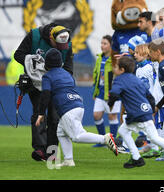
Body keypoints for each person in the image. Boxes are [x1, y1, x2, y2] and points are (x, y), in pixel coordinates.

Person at [35, 48, 118, 167]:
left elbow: (46, 94)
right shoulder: (67, 74)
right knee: (61, 132)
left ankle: (104, 138)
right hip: (78, 105)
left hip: (67, 109)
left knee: (77, 136)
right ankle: (68, 160)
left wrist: (41, 113)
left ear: (47, 63)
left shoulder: (47, 76)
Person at [108, 56, 164, 172]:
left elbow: (114, 94)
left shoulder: (120, 80)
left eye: (116, 66)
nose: (114, 68)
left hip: (137, 114)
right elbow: (150, 98)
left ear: (122, 70)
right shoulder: (135, 79)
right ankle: (136, 157)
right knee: (124, 131)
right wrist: (151, 112)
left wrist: (110, 103)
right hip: (145, 111)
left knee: (155, 138)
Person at [14, 23, 73, 161]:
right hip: (36, 83)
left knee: (54, 117)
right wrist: (35, 64)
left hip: (56, 85)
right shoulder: (34, 36)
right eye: (57, 44)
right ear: (51, 37)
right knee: (39, 113)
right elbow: (18, 54)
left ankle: (51, 152)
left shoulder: (66, 42)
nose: (60, 48)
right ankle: (40, 149)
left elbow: (69, 69)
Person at [91, 35, 120, 147]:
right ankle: (103, 140)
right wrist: (95, 90)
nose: (102, 46)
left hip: (112, 93)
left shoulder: (115, 59)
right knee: (96, 115)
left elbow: (118, 75)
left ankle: (112, 141)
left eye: (105, 43)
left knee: (112, 116)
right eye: (101, 43)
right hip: (100, 93)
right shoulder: (99, 58)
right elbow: (95, 74)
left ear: (111, 45)